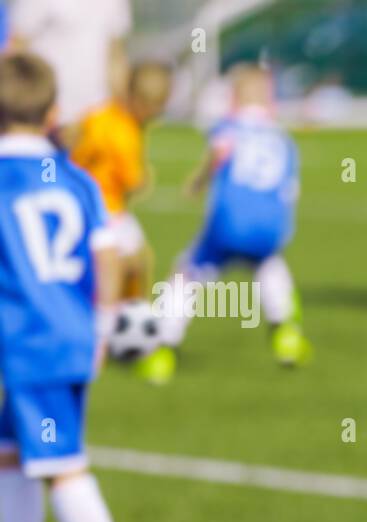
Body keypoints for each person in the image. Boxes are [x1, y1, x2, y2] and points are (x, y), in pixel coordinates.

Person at [0, 53, 145, 522]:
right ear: (54, 112)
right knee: (11, 453)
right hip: (71, 335)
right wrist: (104, 327)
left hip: (29, 344)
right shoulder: (77, 178)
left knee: (61, 467)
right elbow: (110, 258)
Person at [153, 64, 308, 384]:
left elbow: (218, 153)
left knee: (188, 273)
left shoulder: (229, 127)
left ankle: (162, 346)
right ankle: (286, 332)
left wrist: (198, 182)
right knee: (268, 264)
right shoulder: (282, 138)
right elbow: (290, 190)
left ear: (234, 97)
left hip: (230, 224)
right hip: (270, 226)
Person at [69, 62, 174, 307]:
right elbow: (133, 182)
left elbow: (75, 146)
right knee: (128, 264)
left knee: (132, 261)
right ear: (139, 101)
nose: (157, 115)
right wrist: (144, 179)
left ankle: (125, 315)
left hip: (85, 203)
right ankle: (122, 317)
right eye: (155, 108)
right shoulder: (124, 134)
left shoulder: (100, 115)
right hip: (106, 209)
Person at [8, 0, 132, 132]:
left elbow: (115, 54)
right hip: (47, 113)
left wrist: (123, 106)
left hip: (97, 113)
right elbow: (17, 46)